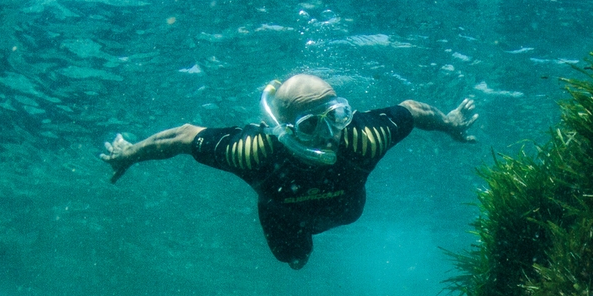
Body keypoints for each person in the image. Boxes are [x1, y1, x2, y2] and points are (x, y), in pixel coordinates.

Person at [100, 74, 477, 268]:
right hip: (284, 218)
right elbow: (184, 135)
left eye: (336, 117)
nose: (330, 135)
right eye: (313, 125)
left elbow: (411, 110)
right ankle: (299, 251)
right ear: (284, 129)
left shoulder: (364, 137)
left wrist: (450, 122)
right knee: (293, 259)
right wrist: (129, 153)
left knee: (321, 233)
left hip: (346, 211)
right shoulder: (254, 152)